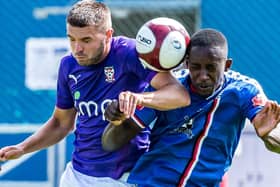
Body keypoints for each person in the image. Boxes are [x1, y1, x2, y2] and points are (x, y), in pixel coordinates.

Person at [0, 1, 191, 187]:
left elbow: (179, 95)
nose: (77, 49)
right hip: (76, 175)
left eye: (86, 40)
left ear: (108, 35)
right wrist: (23, 148)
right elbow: (61, 123)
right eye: (71, 39)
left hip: (125, 176)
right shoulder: (68, 65)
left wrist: (139, 98)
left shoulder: (129, 53)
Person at [102, 28, 280, 187]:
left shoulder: (244, 90)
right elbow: (111, 143)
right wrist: (117, 119)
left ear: (226, 66)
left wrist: (268, 136)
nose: (203, 76)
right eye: (196, 67)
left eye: (211, 68)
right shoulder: (170, 88)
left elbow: (274, 141)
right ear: (187, 63)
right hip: (151, 181)